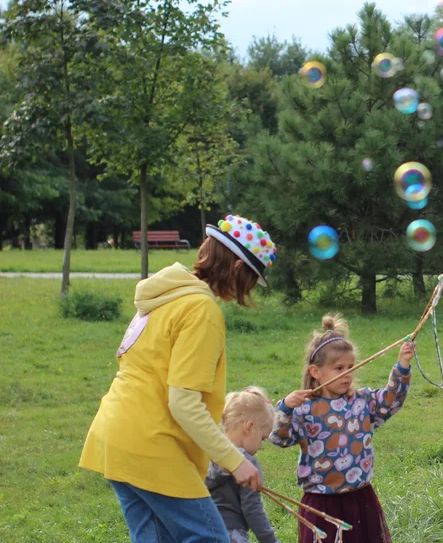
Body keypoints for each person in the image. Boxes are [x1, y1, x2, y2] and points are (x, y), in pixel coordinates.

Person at [80, 214, 276, 543]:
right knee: (210, 538)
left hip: (115, 438)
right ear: (239, 269)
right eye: (253, 279)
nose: (250, 289)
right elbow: (183, 402)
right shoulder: (201, 310)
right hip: (152, 447)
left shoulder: (167, 296)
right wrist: (234, 462)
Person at [272, 314, 414, 543]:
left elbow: (391, 401)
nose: (347, 374)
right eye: (338, 368)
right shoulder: (304, 409)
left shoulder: (363, 402)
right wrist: (286, 408)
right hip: (321, 501)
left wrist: (403, 364)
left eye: (350, 367)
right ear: (315, 372)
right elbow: (280, 438)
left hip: (360, 498)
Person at [206, 387, 280, 543]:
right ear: (249, 427)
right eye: (262, 438)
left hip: (202, 530)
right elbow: (252, 510)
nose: (260, 446)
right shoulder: (246, 464)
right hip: (232, 535)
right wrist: (271, 541)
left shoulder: (209, 454)